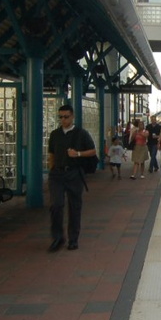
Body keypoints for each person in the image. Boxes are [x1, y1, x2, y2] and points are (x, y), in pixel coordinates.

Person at [47, 104, 96, 251]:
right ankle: (58, 237)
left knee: (74, 206)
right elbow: (51, 154)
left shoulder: (81, 133)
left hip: (74, 173)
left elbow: (93, 151)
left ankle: (73, 239)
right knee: (56, 205)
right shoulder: (54, 134)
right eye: (60, 117)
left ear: (72, 116)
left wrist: (78, 154)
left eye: (66, 117)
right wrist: (52, 168)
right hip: (57, 174)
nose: (63, 120)